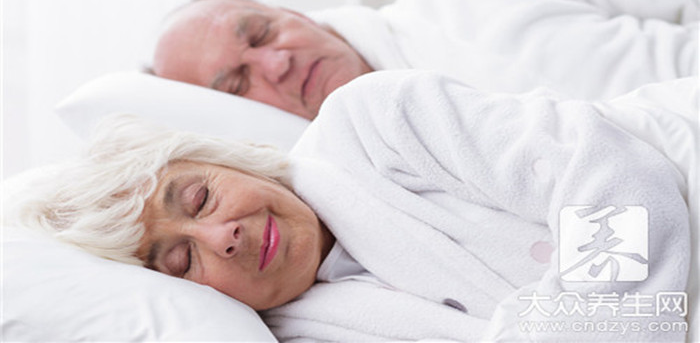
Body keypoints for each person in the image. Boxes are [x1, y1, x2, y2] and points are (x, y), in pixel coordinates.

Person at [19, 70, 694, 341]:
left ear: (228, 159)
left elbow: (607, 175)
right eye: (180, 260)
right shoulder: (306, 336)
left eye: (200, 197)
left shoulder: (374, 121)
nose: (221, 236)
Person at [150, 0, 698, 119]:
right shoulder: (368, 191)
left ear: (290, 10)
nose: (276, 63)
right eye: (238, 83)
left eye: (260, 33)